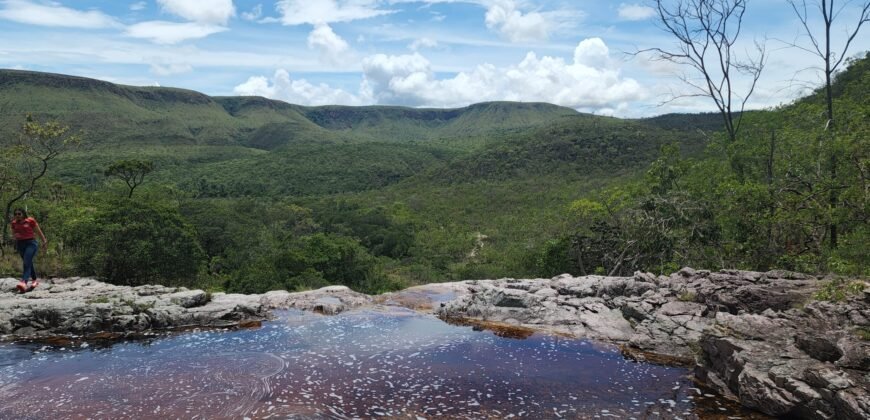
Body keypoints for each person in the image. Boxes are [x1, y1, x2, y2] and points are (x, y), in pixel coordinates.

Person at [10, 208, 47, 293]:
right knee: (28, 262)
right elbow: (13, 233)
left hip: (31, 243)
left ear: (23, 214)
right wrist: (15, 238)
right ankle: (34, 281)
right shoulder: (14, 223)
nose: (17, 216)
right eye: (15, 214)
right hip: (20, 244)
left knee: (26, 262)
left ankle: (24, 282)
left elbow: (38, 231)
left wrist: (44, 240)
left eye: (19, 214)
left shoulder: (30, 221)